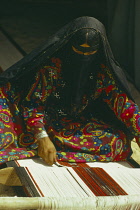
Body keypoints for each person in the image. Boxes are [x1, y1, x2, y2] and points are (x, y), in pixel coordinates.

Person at [0, 16, 139, 166]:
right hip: (42, 122)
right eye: (79, 50)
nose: (84, 56)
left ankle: (48, 150)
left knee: (118, 142)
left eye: (90, 51)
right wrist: (42, 136)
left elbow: (122, 104)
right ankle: (44, 147)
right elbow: (33, 105)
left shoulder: (102, 71)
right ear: (70, 44)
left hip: (75, 125)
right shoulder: (52, 68)